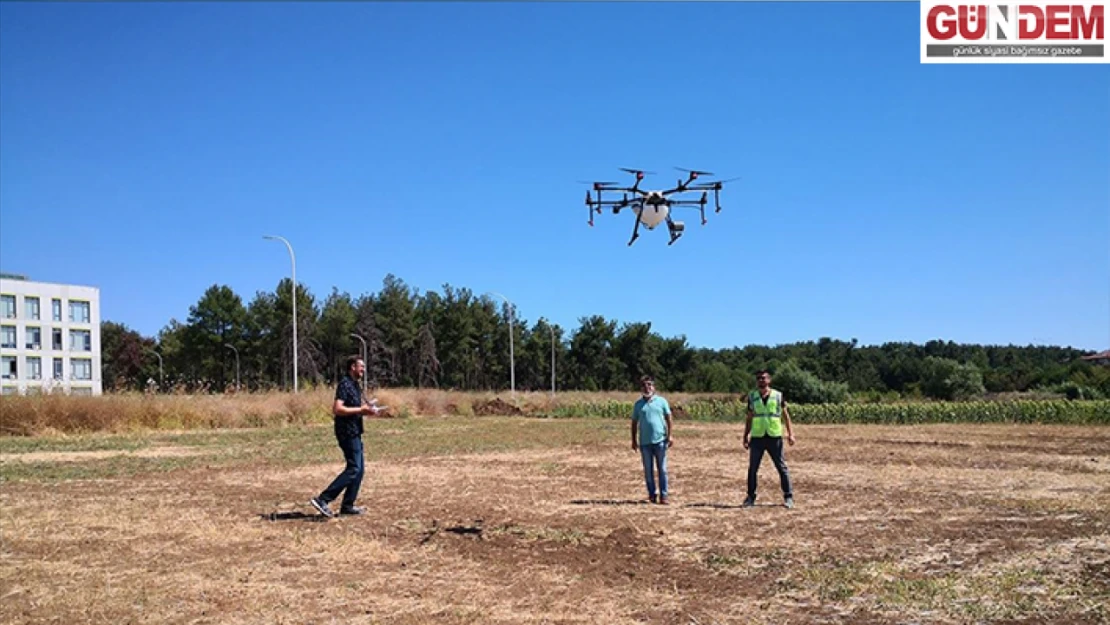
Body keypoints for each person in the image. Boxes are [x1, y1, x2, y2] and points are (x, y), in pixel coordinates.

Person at [310, 355, 384, 518]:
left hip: (355, 430)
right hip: (346, 432)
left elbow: (356, 408)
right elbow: (337, 409)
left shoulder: (355, 385)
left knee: (359, 470)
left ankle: (347, 505)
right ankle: (323, 499)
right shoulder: (344, 384)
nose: (363, 370)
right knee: (354, 468)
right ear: (353, 367)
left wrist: (368, 408)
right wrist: (361, 410)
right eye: (361, 367)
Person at [742, 369, 796, 509]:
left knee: (781, 467)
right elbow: (749, 418)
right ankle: (750, 497)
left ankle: (788, 497)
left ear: (769, 380)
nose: (761, 380)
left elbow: (786, 416)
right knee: (752, 469)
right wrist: (746, 435)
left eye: (764, 378)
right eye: (759, 378)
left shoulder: (778, 395)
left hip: (774, 436)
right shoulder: (752, 397)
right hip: (758, 437)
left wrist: (791, 433)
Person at [631, 375, 673, 504]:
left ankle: (664, 496)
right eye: (644, 385)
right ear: (640, 388)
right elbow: (634, 423)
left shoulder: (662, 401)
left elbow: (669, 418)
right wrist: (633, 440)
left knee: (663, 470)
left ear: (653, 387)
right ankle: (652, 495)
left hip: (660, 441)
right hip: (644, 443)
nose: (647, 387)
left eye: (649, 384)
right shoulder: (638, 405)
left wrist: (670, 435)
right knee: (648, 471)